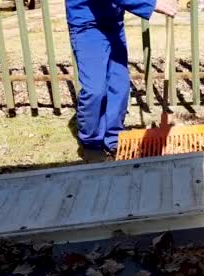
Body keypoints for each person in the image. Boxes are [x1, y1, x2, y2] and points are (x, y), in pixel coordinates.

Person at [66, 0, 178, 161]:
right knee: (95, 90)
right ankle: (91, 142)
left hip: (113, 23)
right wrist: (151, 4)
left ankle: (113, 138)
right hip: (86, 25)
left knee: (119, 86)